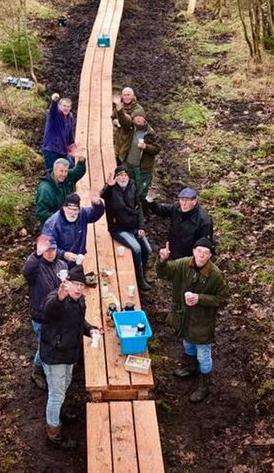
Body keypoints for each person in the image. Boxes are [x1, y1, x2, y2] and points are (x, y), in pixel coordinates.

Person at [155, 237, 228, 403]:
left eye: (206, 252)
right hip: (184, 317)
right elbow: (163, 273)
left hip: (202, 322)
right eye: (199, 251)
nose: (202, 255)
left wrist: (200, 299)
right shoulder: (183, 264)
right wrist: (162, 260)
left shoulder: (216, 275)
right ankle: (190, 368)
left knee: (203, 355)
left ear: (210, 256)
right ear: (194, 251)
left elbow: (223, 298)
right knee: (187, 344)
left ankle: (204, 386)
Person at [39, 274, 100, 448]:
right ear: (66, 284)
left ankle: (57, 414)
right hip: (54, 356)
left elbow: (80, 322)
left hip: (70, 354)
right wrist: (60, 297)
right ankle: (54, 434)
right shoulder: (55, 299)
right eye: (75, 284)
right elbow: (48, 310)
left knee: (64, 385)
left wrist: (91, 330)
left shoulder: (80, 301)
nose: (79, 288)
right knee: (56, 396)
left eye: (81, 284)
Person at [23, 235, 85, 390]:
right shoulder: (36, 269)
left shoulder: (62, 265)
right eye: (46, 250)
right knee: (44, 345)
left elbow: (68, 284)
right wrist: (37, 254)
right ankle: (38, 371)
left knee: (55, 340)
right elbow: (27, 270)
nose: (50, 253)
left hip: (59, 313)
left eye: (53, 249)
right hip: (41, 316)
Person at [100, 164, 152, 290]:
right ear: (116, 178)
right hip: (119, 228)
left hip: (134, 226)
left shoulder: (132, 186)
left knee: (148, 249)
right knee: (136, 248)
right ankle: (139, 280)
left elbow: (138, 208)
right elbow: (103, 196)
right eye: (120, 175)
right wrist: (108, 186)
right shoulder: (111, 190)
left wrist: (141, 227)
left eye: (125, 175)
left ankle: (143, 274)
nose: (123, 178)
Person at [147, 187, 214, 261]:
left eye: (187, 201)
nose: (184, 204)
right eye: (182, 200)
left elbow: (206, 245)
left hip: (188, 260)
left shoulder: (204, 220)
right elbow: (162, 210)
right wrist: (151, 201)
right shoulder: (176, 207)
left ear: (194, 201)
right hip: (172, 254)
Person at [116, 111, 160, 199]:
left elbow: (157, 149)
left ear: (144, 118)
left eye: (140, 116)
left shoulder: (150, 133)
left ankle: (140, 209)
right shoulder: (131, 128)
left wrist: (146, 147)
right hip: (128, 165)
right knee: (127, 189)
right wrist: (119, 108)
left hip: (142, 169)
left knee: (141, 192)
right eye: (136, 116)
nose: (138, 118)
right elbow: (123, 119)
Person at [35, 155, 87, 225]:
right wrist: (62, 216)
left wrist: (81, 161)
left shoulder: (67, 177)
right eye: (61, 171)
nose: (64, 174)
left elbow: (77, 172)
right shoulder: (45, 189)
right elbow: (41, 214)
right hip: (52, 225)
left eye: (66, 171)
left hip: (66, 219)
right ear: (54, 170)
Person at [41, 93, 76, 172]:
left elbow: (70, 133)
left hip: (63, 150)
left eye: (68, 107)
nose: (66, 108)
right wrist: (54, 100)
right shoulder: (54, 114)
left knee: (70, 167)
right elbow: (53, 108)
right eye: (64, 106)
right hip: (51, 149)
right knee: (51, 172)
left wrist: (73, 147)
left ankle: (66, 184)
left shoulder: (70, 117)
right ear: (59, 106)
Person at [112, 87, 144, 159]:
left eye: (128, 95)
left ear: (133, 96)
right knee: (118, 160)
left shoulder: (138, 110)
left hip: (131, 140)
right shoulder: (120, 105)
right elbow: (113, 116)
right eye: (124, 95)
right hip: (119, 139)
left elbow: (127, 123)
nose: (126, 97)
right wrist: (115, 121)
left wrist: (120, 110)